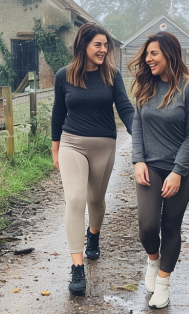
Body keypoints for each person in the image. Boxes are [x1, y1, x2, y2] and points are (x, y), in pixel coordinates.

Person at [51, 22, 134, 294]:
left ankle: (93, 236)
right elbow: (58, 112)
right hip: (72, 143)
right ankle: (77, 268)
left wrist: (142, 137)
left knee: (95, 200)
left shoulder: (112, 75)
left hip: (104, 145)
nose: (103, 49)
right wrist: (55, 148)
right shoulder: (64, 76)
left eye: (105, 45)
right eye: (97, 44)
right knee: (74, 200)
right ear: (83, 45)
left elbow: (125, 108)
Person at [128, 32, 189, 309]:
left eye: (154, 54)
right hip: (150, 166)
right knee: (147, 227)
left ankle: (163, 284)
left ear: (170, 54)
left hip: (181, 169)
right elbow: (137, 125)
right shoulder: (145, 87)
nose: (148, 59)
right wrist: (138, 160)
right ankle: (153, 259)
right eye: (147, 54)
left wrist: (178, 172)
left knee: (170, 225)